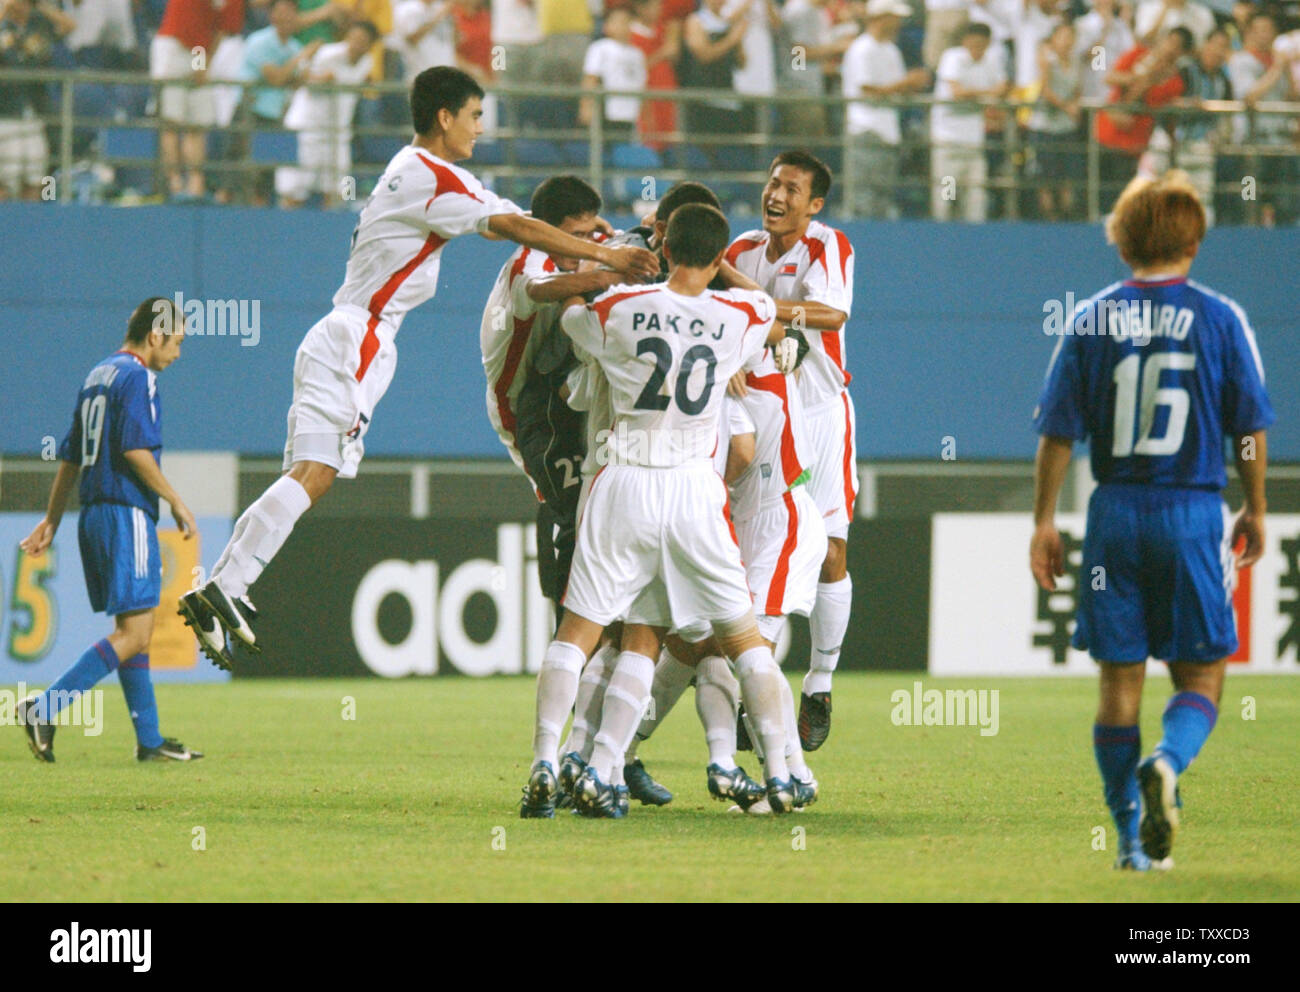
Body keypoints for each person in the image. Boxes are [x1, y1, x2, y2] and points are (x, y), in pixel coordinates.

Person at [178, 66, 659, 668]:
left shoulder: (414, 173)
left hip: (341, 332)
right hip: (359, 336)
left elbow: (519, 225)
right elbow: (514, 225)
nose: (481, 129)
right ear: (445, 117)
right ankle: (228, 585)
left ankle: (223, 585)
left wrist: (591, 240)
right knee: (316, 474)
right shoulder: (432, 175)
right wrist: (603, 252)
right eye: (476, 115)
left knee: (304, 474)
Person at [1030, 170, 1273, 870]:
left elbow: (1056, 434)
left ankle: (1133, 840)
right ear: (1195, 238)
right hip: (1193, 510)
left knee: (1118, 686)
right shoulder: (1222, 318)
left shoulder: (1091, 318)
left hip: (1114, 513)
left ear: (1123, 237)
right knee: (1200, 677)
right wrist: (1256, 505)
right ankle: (1168, 762)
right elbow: (1250, 429)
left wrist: (1045, 519)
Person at [529, 203, 800, 818]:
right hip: (695, 489)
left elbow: (568, 309)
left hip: (623, 477)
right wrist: (725, 272)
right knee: (741, 636)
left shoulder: (619, 309)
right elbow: (773, 318)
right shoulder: (741, 313)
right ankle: (782, 772)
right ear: (720, 256)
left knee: (582, 633)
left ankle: (547, 761)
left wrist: (609, 263)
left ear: (666, 249)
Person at [18, 299, 203, 764]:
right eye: (177, 342)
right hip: (126, 512)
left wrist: (52, 519)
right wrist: (175, 499)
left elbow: (69, 456)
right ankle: (45, 708)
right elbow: (136, 449)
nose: (178, 353)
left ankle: (150, 741)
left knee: (132, 629)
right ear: (156, 336)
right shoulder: (140, 377)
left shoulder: (97, 375)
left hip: (94, 514)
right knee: (136, 634)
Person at [724, 150, 855, 751]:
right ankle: (754, 696)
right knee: (757, 547)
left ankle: (820, 683)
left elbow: (833, 312)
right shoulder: (741, 249)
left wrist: (765, 308)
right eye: (772, 182)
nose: (776, 195)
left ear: (815, 204)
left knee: (830, 553)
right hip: (764, 410)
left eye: (792, 189)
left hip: (821, 411)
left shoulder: (831, 246)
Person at [842, 0, 932, 219]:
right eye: (894, 17)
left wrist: (913, 85)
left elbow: (895, 90)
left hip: (889, 133)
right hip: (865, 130)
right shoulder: (861, 49)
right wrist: (908, 82)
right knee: (863, 198)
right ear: (881, 18)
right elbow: (867, 90)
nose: (899, 23)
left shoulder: (891, 50)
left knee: (883, 196)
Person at [275, 19, 378, 209]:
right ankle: (287, 219)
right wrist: (320, 79)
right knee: (297, 186)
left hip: (339, 131)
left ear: (369, 45)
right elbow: (302, 76)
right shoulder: (328, 54)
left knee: (343, 186)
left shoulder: (367, 62)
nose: (355, 44)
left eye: (362, 41)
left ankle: (341, 221)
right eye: (353, 38)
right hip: (309, 127)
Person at [151, 0, 244, 201]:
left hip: (198, 48)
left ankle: (195, 183)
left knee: (197, 123)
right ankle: (174, 181)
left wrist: (204, 63)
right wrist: (201, 64)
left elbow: (221, 29)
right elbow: (186, 25)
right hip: (174, 43)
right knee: (172, 121)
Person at [1094, 27, 1192, 196]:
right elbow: (1110, 78)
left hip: (1133, 144)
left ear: (1182, 53)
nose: (1170, 48)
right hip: (1106, 134)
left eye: (1177, 46)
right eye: (1169, 41)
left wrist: (1151, 78)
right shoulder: (1137, 54)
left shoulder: (1175, 83)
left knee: (1121, 195)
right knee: (1097, 190)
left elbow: (1143, 103)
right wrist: (1141, 73)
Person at [930, 21, 1008, 222]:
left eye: (982, 45)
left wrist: (973, 93)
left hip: (974, 143)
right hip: (947, 143)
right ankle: (941, 237)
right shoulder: (952, 57)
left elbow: (1002, 89)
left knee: (976, 197)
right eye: (973, 44)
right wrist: (984, 95)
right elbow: (957, 92)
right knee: (946, 197)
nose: (977, 50)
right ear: (965, 41)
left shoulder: (991, 60)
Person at [0, 0, 73, 200]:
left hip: (35, 113)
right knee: (6, 178)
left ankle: (32, 222)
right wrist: (4, 9)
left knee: (37, 177)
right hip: (5, 113)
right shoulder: (3, 27)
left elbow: (69, 26)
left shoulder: (39, 26)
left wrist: (39, 6)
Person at [1027, 20, 1082, 220]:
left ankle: (1068, 214)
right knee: (1045, 176)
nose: (1067, 41)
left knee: (1068, 174)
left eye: (1071, 37)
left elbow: (1077, 89)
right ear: (1054, 39)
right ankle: (1047, 215)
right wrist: (1065, 106)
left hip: (1066, 127)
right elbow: (1045, 90)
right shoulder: (1046, 59)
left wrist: (1075, 104)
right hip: (1044, 126)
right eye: (1063, 36)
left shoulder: (1076, 62)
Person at [579, 6, 648, 142]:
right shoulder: (600, 48)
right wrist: (586, 107)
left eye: (628, 22)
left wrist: (646, 119)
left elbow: (643, 87)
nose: (624, 26)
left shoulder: (638, 54)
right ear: (607, 26)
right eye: (620, 21)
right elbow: (591, 78)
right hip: (609, 113)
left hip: (632, 114)